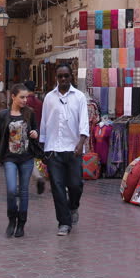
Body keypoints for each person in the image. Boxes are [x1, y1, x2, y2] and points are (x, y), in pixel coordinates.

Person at [40, 64, 89, 236]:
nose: (63, 79)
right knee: (57, 187)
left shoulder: (80, 97)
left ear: (71, 77)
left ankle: (73, 206)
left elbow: (84, 121)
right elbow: (44, 122)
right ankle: (64, 223)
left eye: (66, 76)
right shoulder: (49, 98)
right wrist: (43, 146)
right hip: (53, 149)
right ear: (56, 77)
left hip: (73, 149)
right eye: (60, 76)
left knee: (75, 185)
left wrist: (81, 142)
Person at [0, 84, 40, 237]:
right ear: (13, 97)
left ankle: (21, 223)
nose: (25, 100)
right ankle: (11, 220)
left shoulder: (30, 113)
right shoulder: (3, 115)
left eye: (26, 97)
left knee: (23, 191)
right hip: (9, 157)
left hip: (26, 157)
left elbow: (35, 131)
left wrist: (35, 133)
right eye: (22, 97)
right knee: (11, 190)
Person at [23, 80, 46, 195]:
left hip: (25, 134)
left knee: (25, 158)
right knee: (35, 158)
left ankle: (36, 178)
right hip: (38, 133)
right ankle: (39, 176)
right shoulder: (40, 102)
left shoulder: (24, 102)